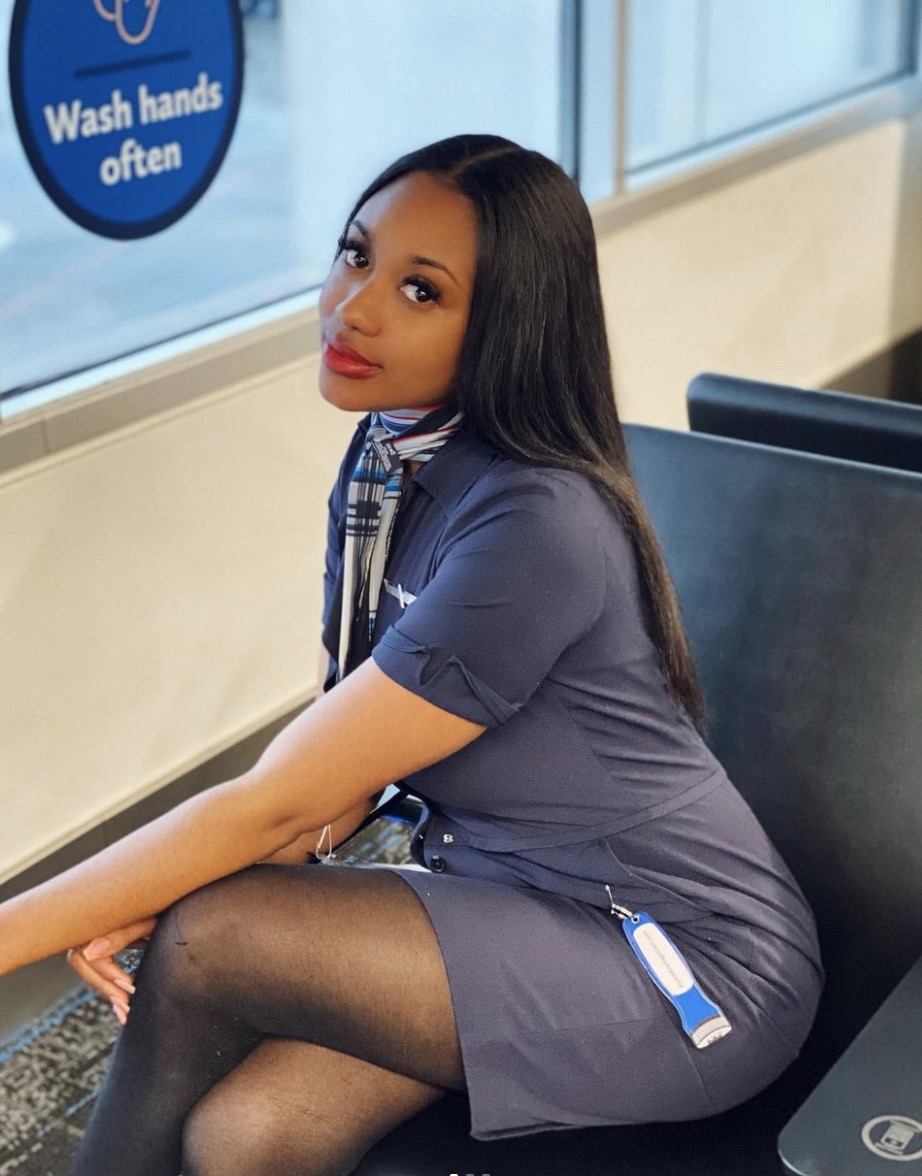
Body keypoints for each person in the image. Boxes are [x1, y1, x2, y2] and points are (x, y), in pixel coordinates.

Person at [0, 134, 822, 1176]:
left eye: (421, 290)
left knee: (217, 934)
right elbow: (333, 777)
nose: (354, 307)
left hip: (681, 964)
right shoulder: (388, 458)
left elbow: (275, 804)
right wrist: (140, 889)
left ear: (510, 324)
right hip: (503, 903)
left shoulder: (535, 527)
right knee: (245, 1137)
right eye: (356, 255)